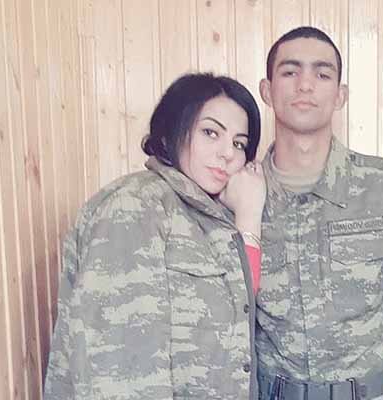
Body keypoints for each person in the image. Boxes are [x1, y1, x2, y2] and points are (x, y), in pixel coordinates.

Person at [44, 73, 265, 400]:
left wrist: (248, 216)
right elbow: (119, 365)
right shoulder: (134, 206)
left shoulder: (210, 214)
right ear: (173, 129)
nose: (227, 153)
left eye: (239, 143)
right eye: (210, 132)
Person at [255, 27, 383, 400]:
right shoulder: (240, 194)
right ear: (267, 90)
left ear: (340, 95)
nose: (305, 85)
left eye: (322, 74)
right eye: (290, 71)